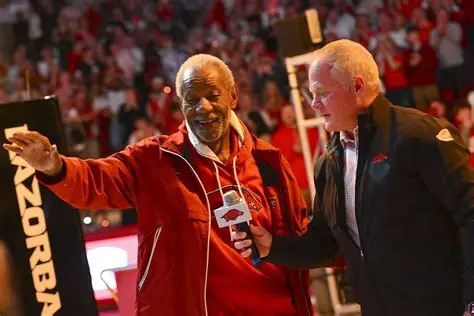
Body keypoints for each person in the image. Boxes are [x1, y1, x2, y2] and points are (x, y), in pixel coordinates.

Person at [3, 54, 312, 315]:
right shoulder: (154, 159)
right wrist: (54, 167)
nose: (203, 107)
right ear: (181, 104)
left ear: (233, 94)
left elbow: (302, 241)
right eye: (192, 99)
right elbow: (94, 181)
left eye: (213, 95)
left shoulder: (269, 163)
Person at [233, 39, 474, 316]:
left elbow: (471, 213)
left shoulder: (419, 134)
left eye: (322, 93)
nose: (313, 104)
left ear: (358, 87)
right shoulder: (328, 163)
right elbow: (326, 245)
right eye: (311, 94)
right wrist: (272, 247)